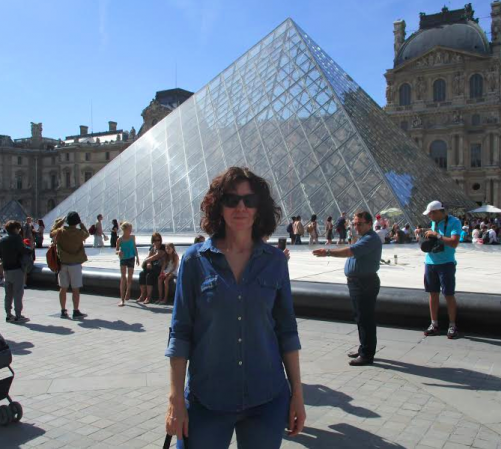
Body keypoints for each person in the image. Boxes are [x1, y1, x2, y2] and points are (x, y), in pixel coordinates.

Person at [165, 167, 305, 448]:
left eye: (249, 200)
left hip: (267, 397)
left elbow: (287, 331)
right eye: (231, 200)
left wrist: (298, 395)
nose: (241, 207)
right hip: (207, 400)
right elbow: (180, 334)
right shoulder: (195, 261)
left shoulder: (275, 261)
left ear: (259, 208)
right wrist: (175, 400)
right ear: (219, 206)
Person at [314, 211, 382, 366]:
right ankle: (363, 347)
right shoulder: (364, 238)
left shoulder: (370, 239)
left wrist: (328, 252)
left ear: (370, 224)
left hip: (364, 283)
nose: (356, 226)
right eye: (354, 223)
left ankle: (367, 354)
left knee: (365, 319)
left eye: (360, 224)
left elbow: (349, 252)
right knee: (360, 317)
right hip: (358, 282)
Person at [421, 201, 462, 340]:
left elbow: (454, 242)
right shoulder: (434, 223)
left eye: (431, 213)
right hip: (430, 262)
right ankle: (434, 324)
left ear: (439, 212)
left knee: (449, 294)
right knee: (433, 294)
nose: (429, 217)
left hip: (446, 263)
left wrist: (437, 235)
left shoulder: (454, 222)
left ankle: (452, 325)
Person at [50, 211, 89, 319]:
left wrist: (59, 223)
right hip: (75, 264)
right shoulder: (80, 233)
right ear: (77, 221)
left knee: (63, 288)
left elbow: (51, 233)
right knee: (76, 289)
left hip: (63, 264)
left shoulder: (61, 231)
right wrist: (82, 224)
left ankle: (63, 311)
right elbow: (87, 233)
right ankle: (76, 311)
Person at [0, 221, 29, 323]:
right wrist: (30, 249)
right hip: (17, 268)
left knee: (8, 294)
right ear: (15, 229)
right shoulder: (17, 238)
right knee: (18, 293)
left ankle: (8, 314)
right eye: (18, 229)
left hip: (6, 269)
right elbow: (22, 250)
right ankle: (18, 315)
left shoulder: (2, 240)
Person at [137, 233, 165, 304]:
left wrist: (146, 261)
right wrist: (148, 263)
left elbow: (157, 256)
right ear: (152, 240)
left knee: (149, 276)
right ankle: (143, 294)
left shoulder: (162, 247)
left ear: (160, 240)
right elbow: (149, 256)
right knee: (142, 274)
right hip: (152, 266)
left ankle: (148, 297)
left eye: (158, 240)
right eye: (155, 240)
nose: (156, 242)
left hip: (160, 267)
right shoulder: (152, 247)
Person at [116, 222, 139, 307]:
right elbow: (116, 249)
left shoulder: (133, 237)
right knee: (123, 278)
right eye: (129, 229)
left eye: (131, 229)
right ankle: (122, 299)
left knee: (130, 277)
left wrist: (137, 257)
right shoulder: (120, 239)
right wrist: (118, 252)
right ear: (124, 230)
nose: (131, 231)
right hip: (123, 259)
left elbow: (135, 247)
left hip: (131, 258)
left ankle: (128, 291)